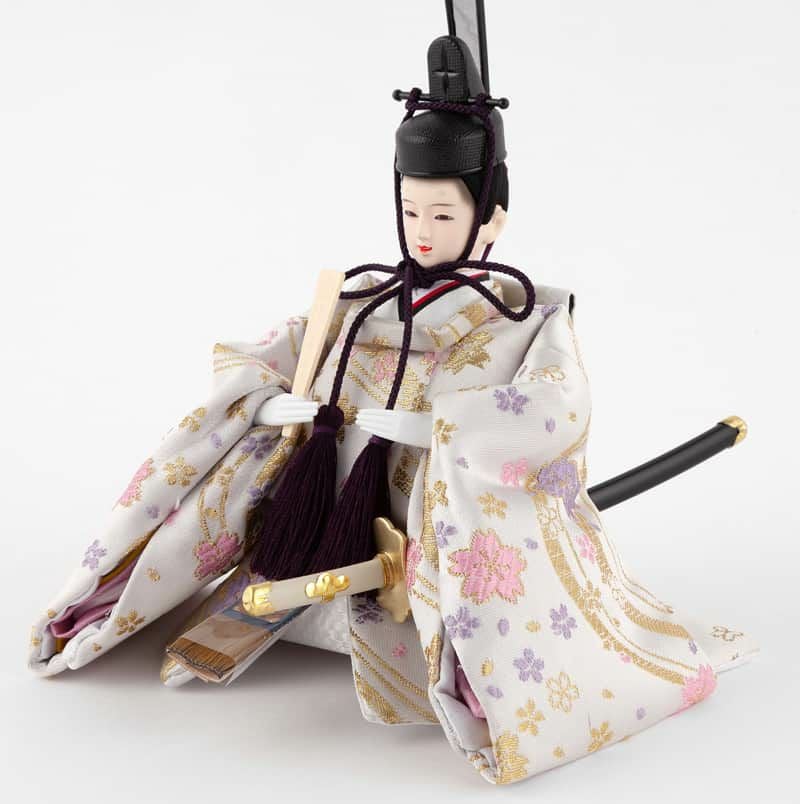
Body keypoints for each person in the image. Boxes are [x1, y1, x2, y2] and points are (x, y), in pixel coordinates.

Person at [29, 21, 755, 788]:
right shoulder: (361, 299)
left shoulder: (525, 316)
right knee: (294, 565)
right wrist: (267, 405)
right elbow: (257, 357)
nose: (423, 233)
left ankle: (456, 664)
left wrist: (445, 429)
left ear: (491, 220)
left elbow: (557, 407)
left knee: (474, 603)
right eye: (411, 213)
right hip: (326, 522)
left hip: (430, 540)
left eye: (443, 216)